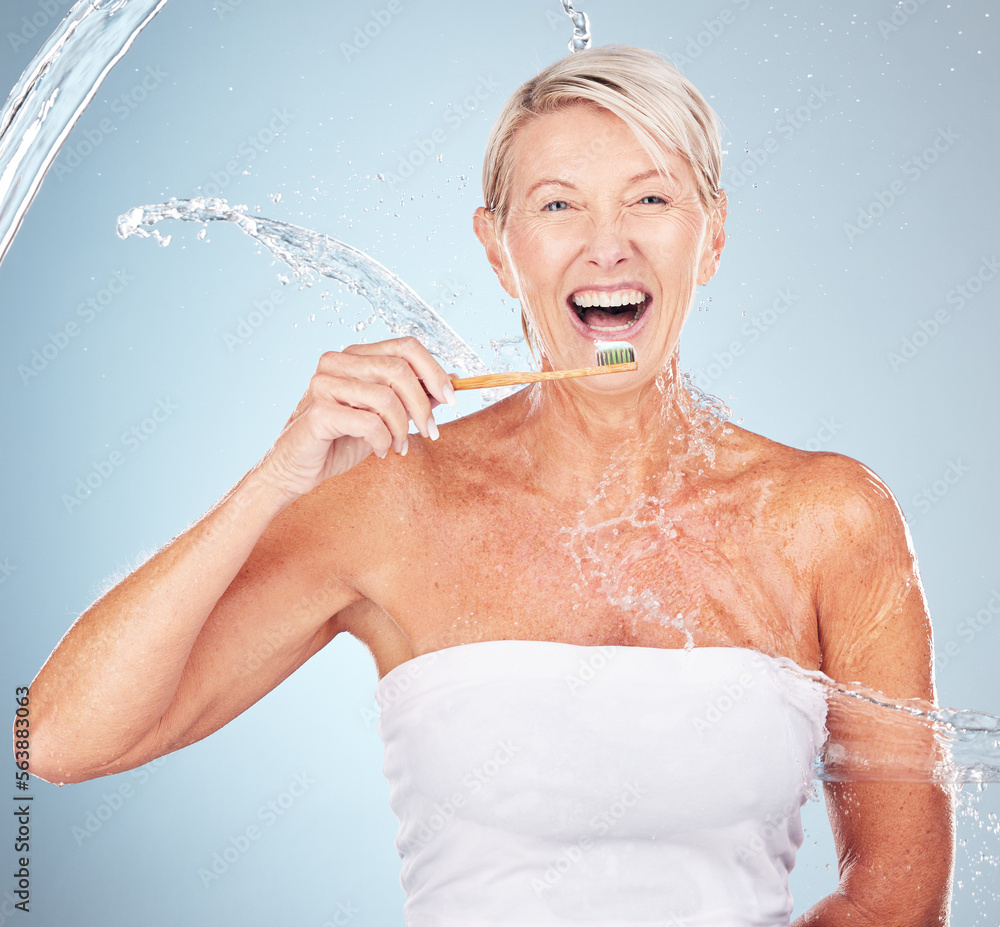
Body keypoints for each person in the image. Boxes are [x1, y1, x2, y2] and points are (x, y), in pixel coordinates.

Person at [24, 45, 953, 925]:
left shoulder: (829, 518)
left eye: (651, 199)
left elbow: (899, 900)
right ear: (499, 248)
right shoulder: (391, 502)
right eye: (557, 207)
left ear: (710, 237)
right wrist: (275, 480)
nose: (608, 247)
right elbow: (59, 738)